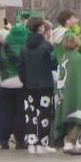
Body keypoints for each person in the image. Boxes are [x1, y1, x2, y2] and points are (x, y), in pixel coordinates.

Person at [18, 17, 57, 154]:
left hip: (29, 85)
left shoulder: (24, 46)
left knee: (30, 114)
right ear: (40, 27)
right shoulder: (47, 46)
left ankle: (31, 143)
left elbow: (20, 67)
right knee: (44, 114)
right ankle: (42, 143)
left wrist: (25, 81)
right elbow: (54, 64)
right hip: (45, 84)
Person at [0, 22, 27, 150]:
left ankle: (4, 140)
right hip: (21, 82)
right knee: (20, 113)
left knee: (6, 112)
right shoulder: (25, 48)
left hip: (5, 81)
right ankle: (20, 141)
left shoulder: (4, 47)